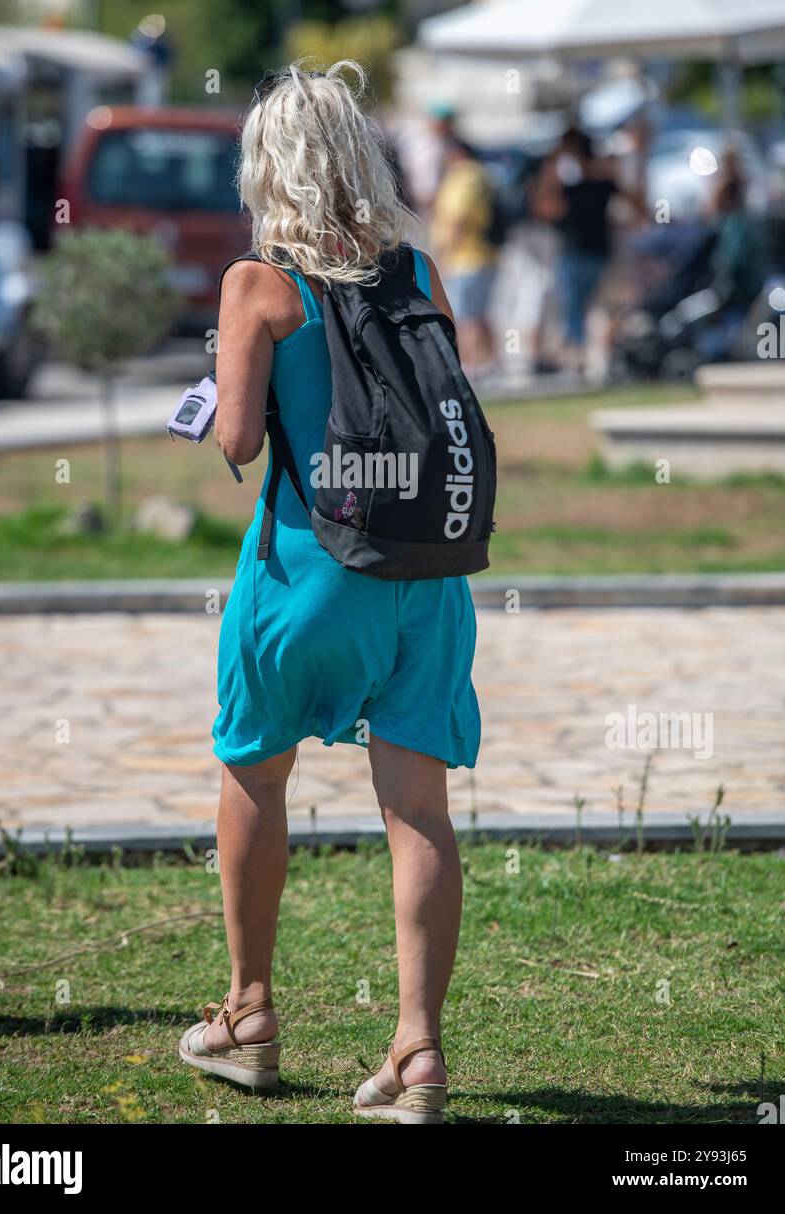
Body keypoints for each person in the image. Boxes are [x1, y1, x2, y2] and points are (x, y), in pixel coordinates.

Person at [177, 62, 481, 1125]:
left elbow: (240, 443)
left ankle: (249, 1014)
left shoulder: (260, 286)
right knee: (418, 811)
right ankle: (417, 1056)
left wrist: (218, 391)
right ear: (362, 154)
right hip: (423, 580)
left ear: (269, 165)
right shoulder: (418, 273)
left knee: (255, 775)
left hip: (303, 576)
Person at [534, 126, 646, 372]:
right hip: (596, 254)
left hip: (583, 255)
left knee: (581, 310)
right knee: (593, 311)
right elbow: (638, 205)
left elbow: (545, 209)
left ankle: (584, 360)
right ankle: (593, 361)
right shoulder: (601, 184)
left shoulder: (586, 186)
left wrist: (552, 164)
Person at [430, 133, 500, 381]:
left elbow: (458, 218)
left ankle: (471, 366)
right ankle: (490, 365)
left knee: (465, 315)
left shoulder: (465, 177)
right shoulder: (479, 175)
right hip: (479, 256)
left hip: (466, 257)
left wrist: (446, 254)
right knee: (478, 314)